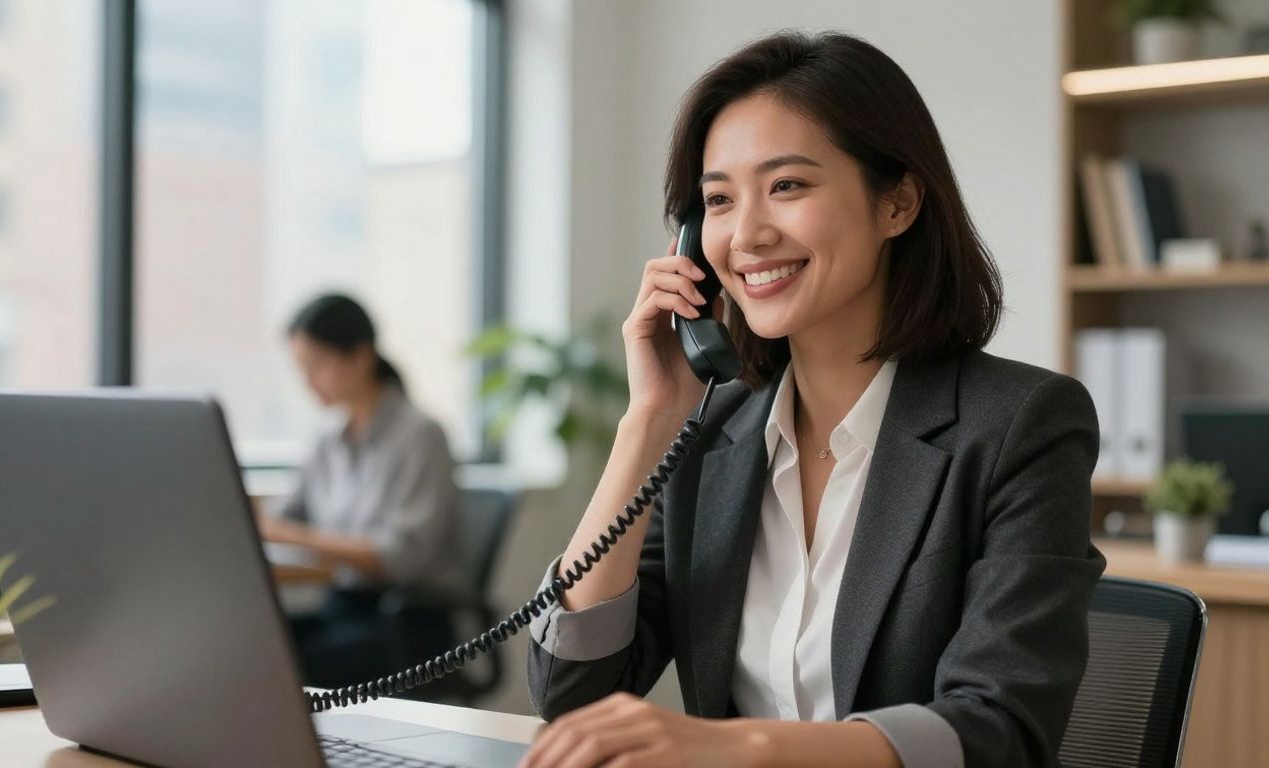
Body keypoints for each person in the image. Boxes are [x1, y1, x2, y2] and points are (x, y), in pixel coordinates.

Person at [519, 31, 1104, 768]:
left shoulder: (1022, 426)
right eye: (719, 201)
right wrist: (648, 421)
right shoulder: (708, 439)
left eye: (787, 186)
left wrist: (744, 746)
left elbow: (1000, 729)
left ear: (897, 203)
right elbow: (570, 694)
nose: (750, 234)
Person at [259, 293, 460, 688]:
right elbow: (282, 517)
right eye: (301, 368)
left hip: (405, 623)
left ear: (361, 356)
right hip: (344, 609)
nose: (307, 381)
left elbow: (401, 557)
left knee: (279, 669)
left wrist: (298, 537)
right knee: (250, 648)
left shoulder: (420, 435)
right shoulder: (328, 437)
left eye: (317, 365)